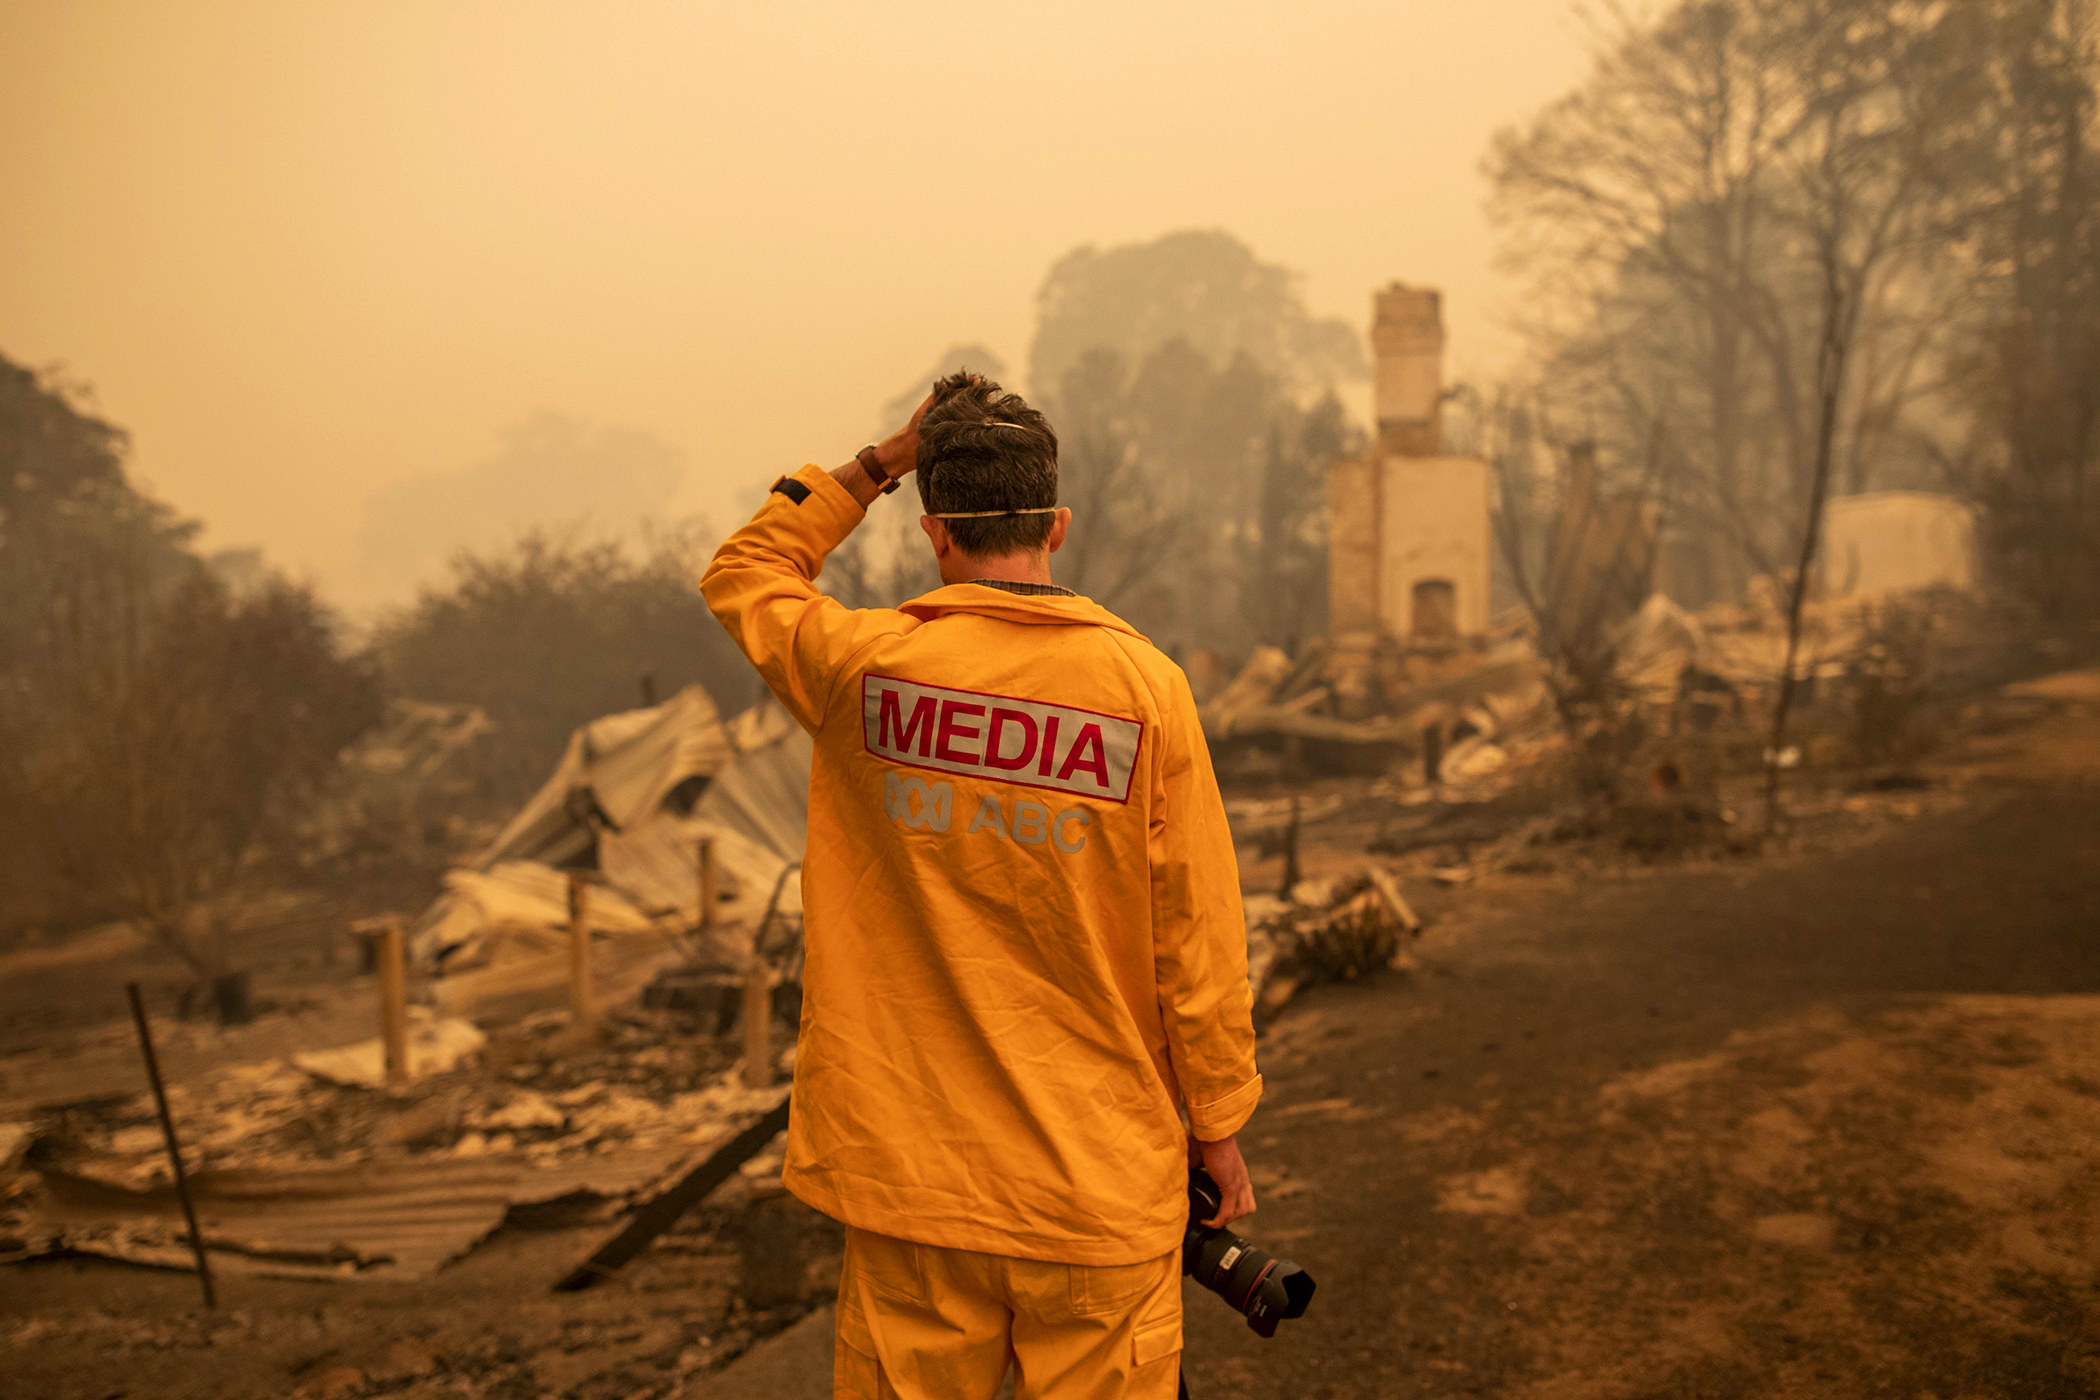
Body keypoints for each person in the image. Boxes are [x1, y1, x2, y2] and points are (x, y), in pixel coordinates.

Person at [701, 371, 1261, 1399]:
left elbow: (746, 568)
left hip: (916, 1191)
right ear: (1057, 523)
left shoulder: (864, 670)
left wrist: (874, 463)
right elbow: (1199, 936)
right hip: (1097, 1191)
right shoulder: (1145, 690)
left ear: (934, 534)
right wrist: (1216, 1123)